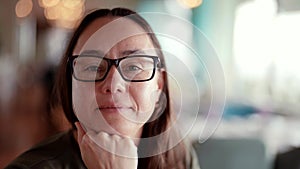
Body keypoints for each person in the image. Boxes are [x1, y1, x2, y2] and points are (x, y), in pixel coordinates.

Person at [5, 8, 200, 169]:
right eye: (92, 66)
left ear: (158, 86)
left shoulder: (178, 156)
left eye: (133, 67)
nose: (113, 86)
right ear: (71, 83)